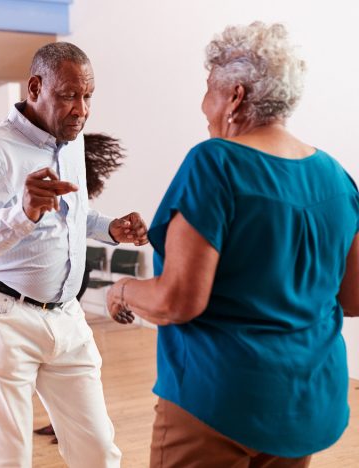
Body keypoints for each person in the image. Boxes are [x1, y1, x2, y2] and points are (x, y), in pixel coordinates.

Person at [106, 22, 359, 467]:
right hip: (304, 402)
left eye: (209, 90)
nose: (204, 106)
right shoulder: (337, 178)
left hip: (217, 401)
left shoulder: (215, 164)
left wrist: (119, 290)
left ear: (235, 96)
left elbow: (177, 301)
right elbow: (354, 298)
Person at [0, 42, 147, 468]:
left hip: (66, 317)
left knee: (99, 452)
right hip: (1, 319)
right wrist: (21, 212)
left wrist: (108, 228)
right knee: (6, 459)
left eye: (88, 96)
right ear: (35, 87)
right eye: (69, 95)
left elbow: (72, 212)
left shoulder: (70, 143)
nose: (82, 109)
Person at [34, 132, 127, 443]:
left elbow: (82, 219)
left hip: (72, 277)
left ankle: (66, 418)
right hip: (62, 279)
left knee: (63, 350)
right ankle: (60, 416)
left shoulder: (68, 175)